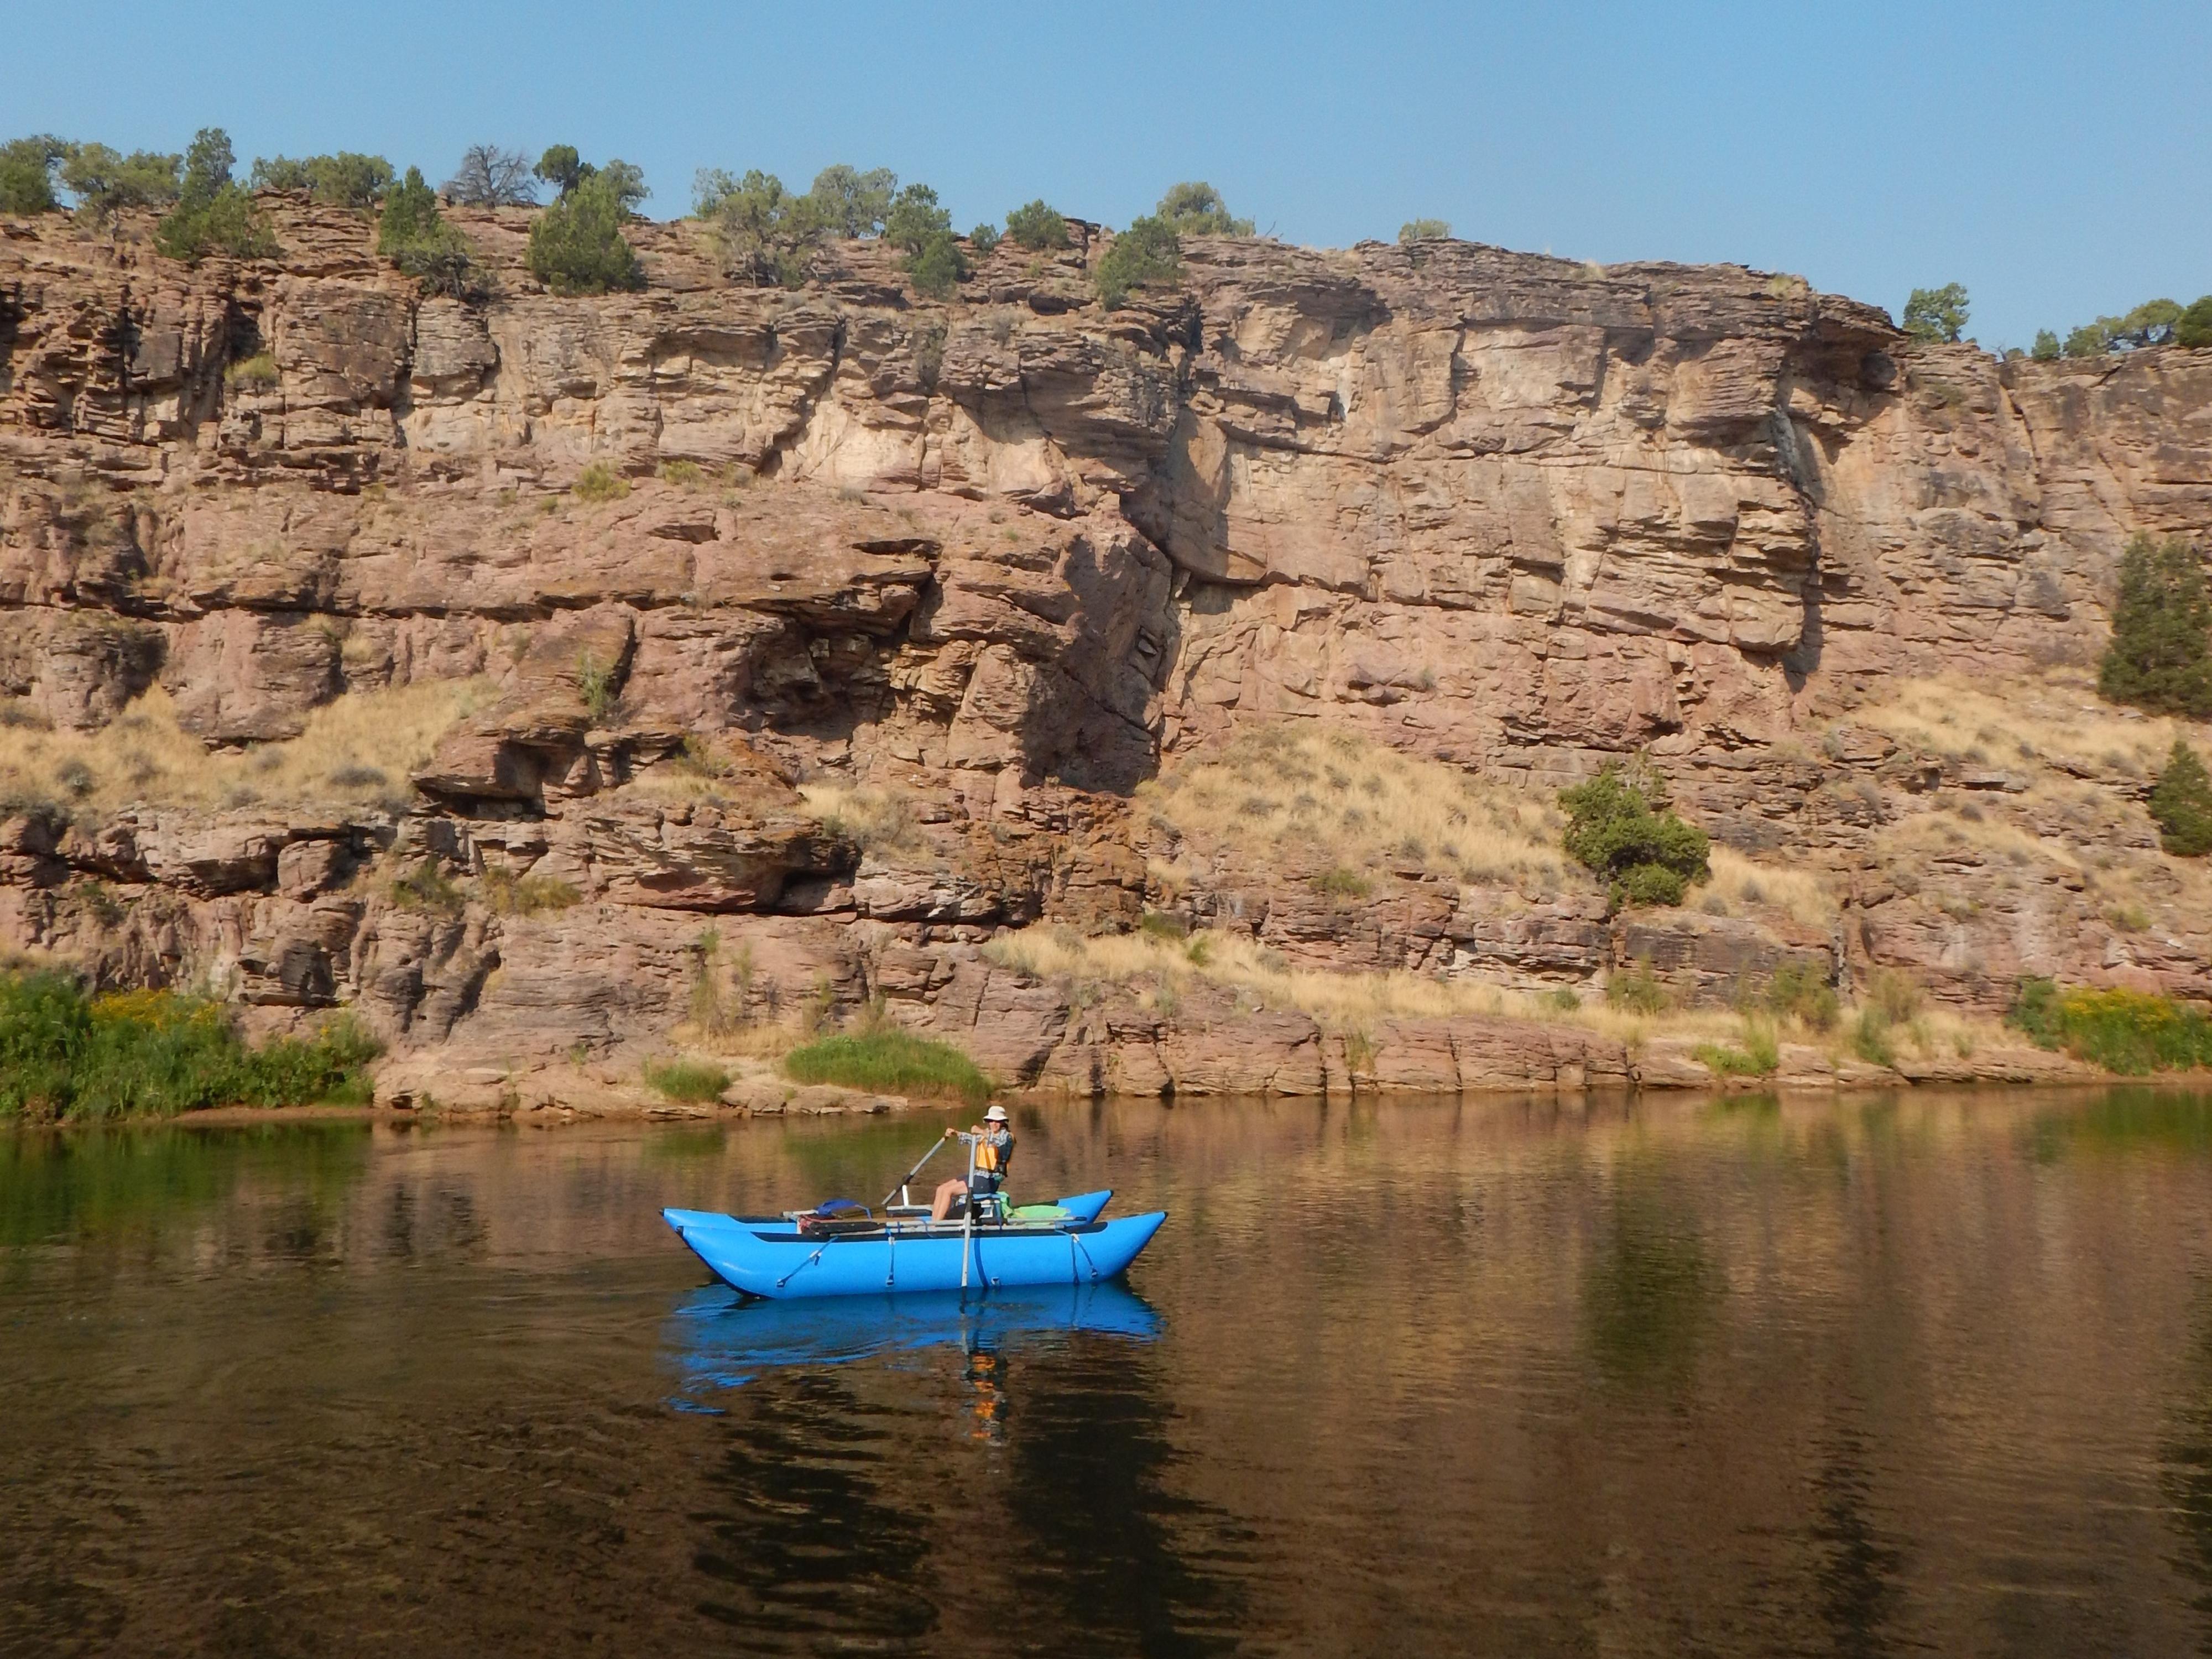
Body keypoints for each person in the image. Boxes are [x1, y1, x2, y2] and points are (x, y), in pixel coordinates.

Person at [931, 1104, 1013, 1221]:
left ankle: (937, 1225)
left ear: (1003, 1123)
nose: (994, 1124)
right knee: (941, 1189)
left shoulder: (1006, 1136)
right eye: (992, 1121)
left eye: (998, 1121)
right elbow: (971, 1139)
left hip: (989, 1181)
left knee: (949, 1191)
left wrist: (980, 1131)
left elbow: (998, 1141)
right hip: (977, 1176)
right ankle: (934, 1222)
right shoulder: (986, 1134)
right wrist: (957, 1133)